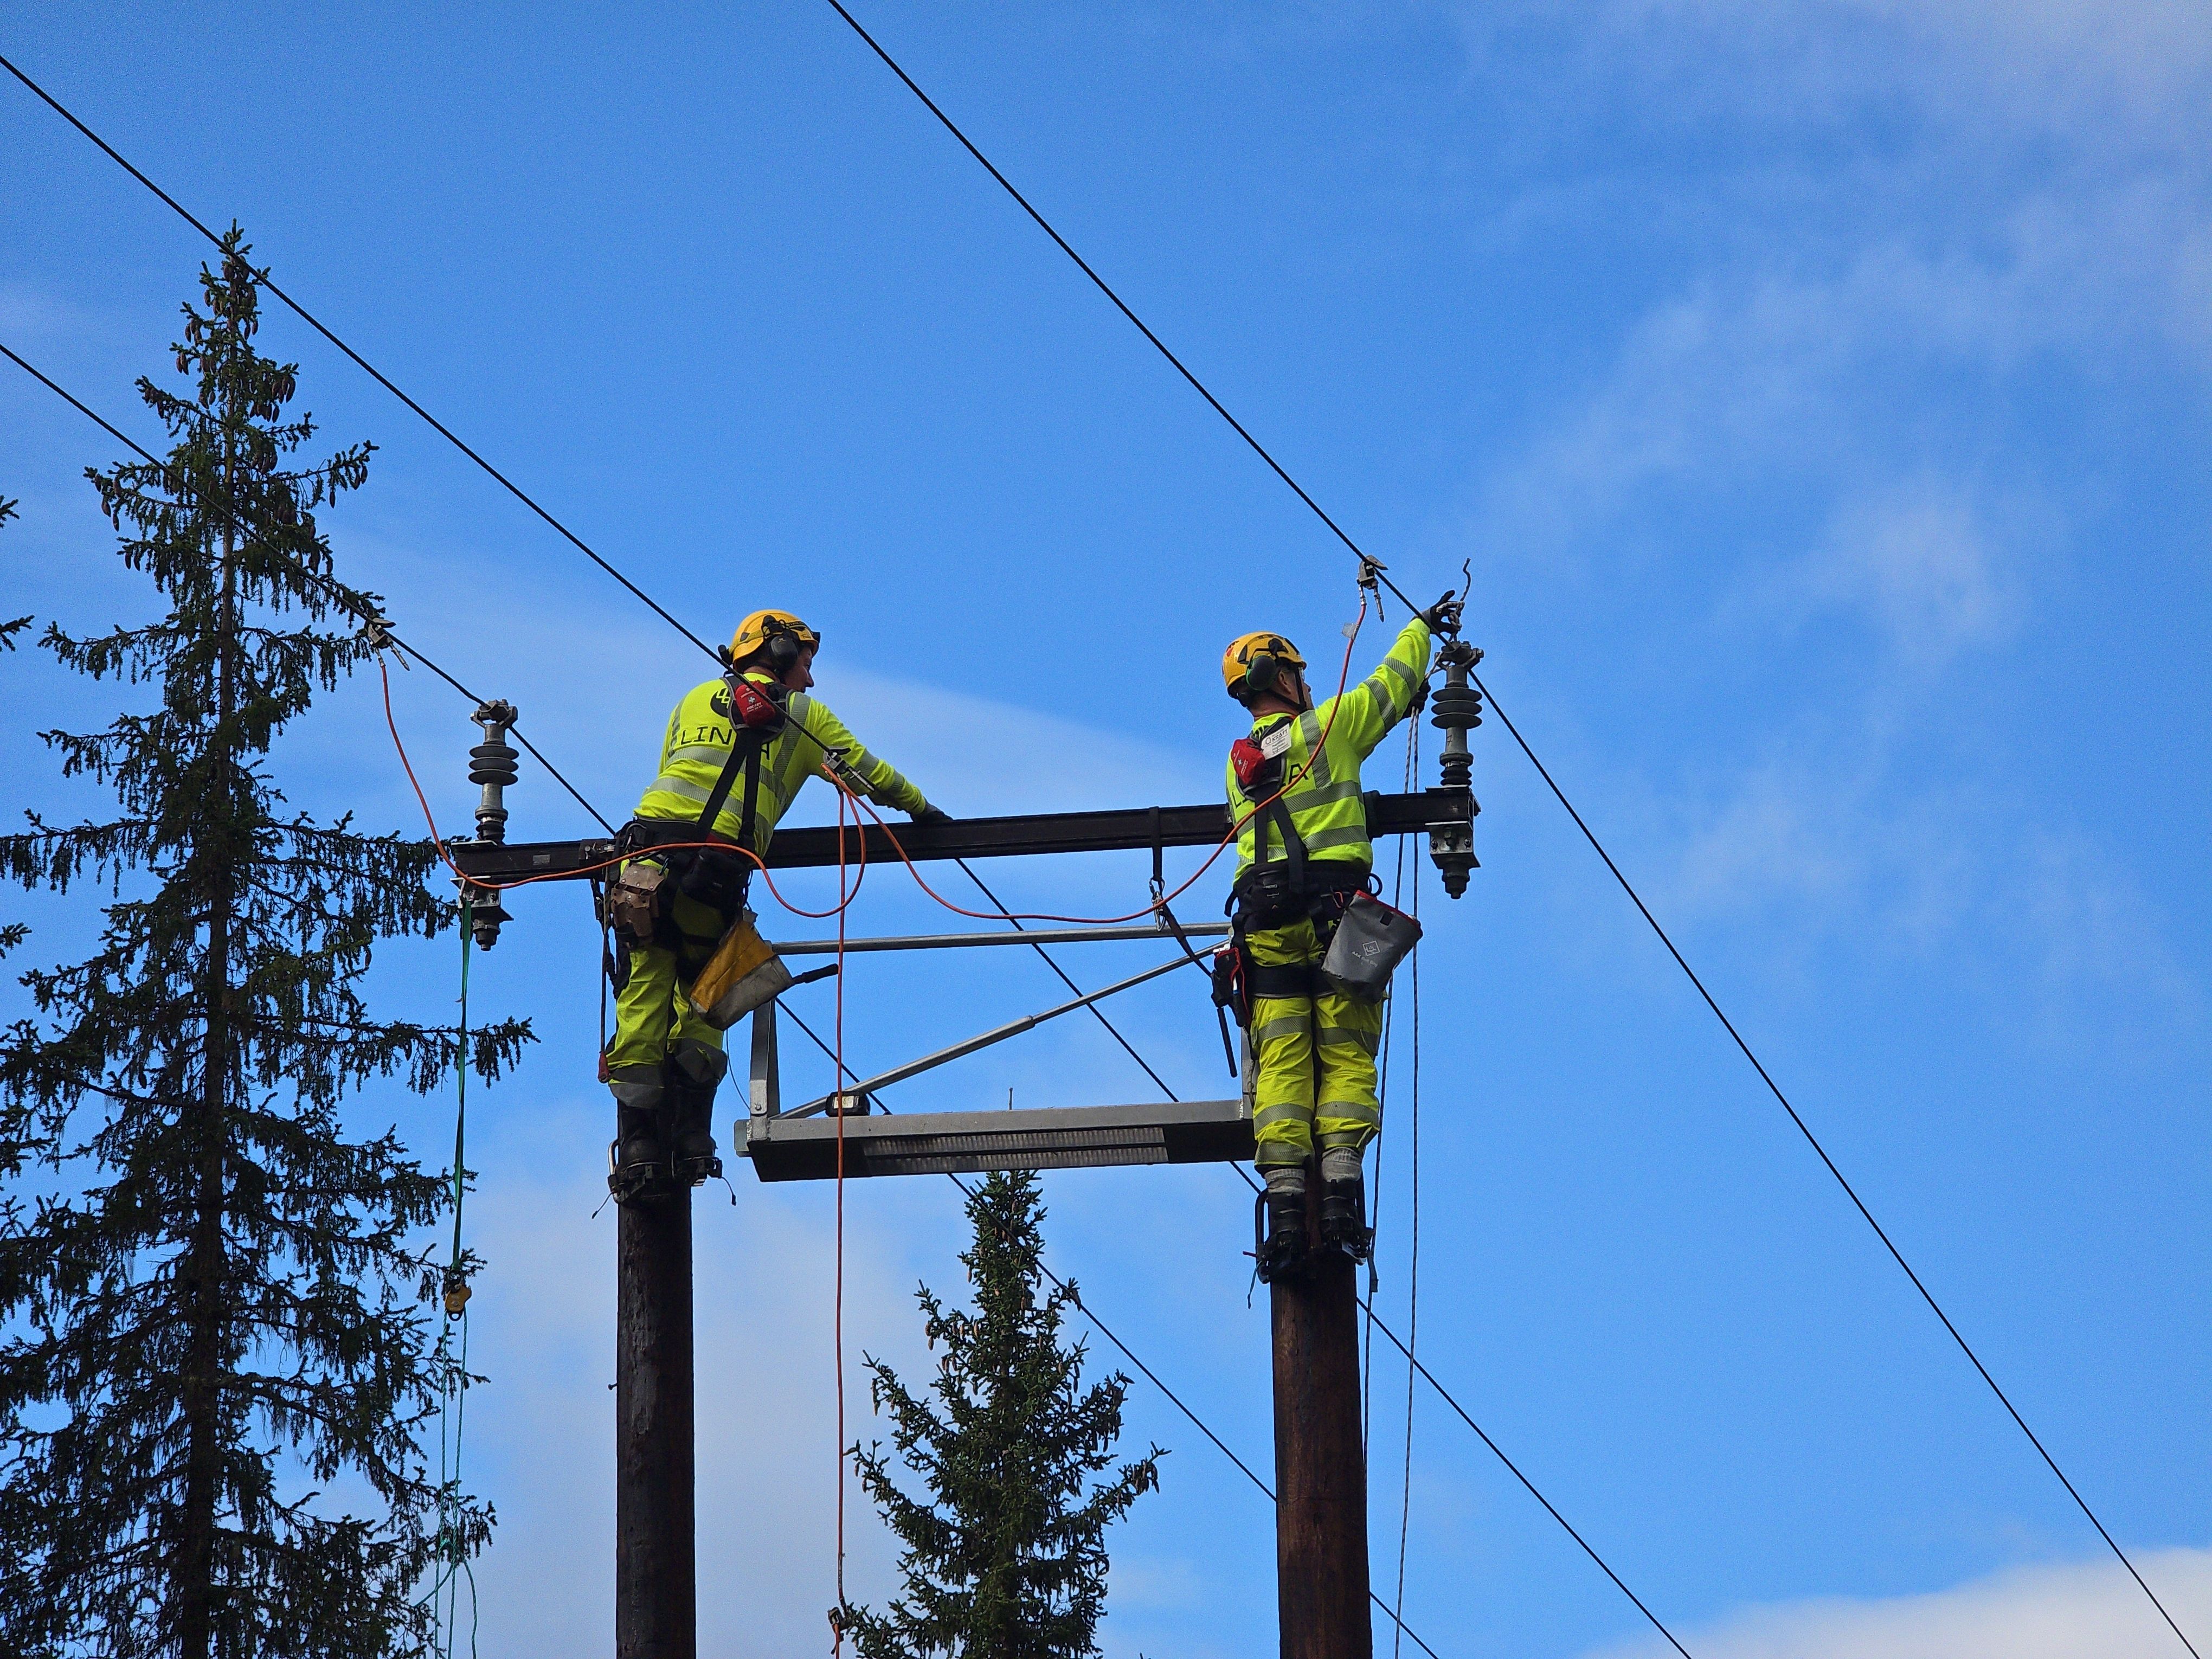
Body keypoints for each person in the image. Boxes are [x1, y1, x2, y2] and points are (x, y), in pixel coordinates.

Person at [602, 608, 944, 1195]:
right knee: (708, 1004)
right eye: (806, 663)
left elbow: (667, 774)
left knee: (643, 1000)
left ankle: (638, 1145)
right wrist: (925, 812)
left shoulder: (692, 698)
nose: (810, 680)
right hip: (715, 881)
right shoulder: (805, 718)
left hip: (648, 868)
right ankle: (691, 1137)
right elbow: (871, 774)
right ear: (782, 654)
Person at [1219, 591, 1462, 1278]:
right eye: (1299, 673)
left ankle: (1288, 1211)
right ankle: (1342, 1206)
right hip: (1335, 920)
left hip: (1266, 931)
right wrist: (1422, 627)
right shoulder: (1331, 729)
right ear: (1284, 678)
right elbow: (1388, 687)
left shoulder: (1239, 768)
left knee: (1286, 1066)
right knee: (1348, 1054)